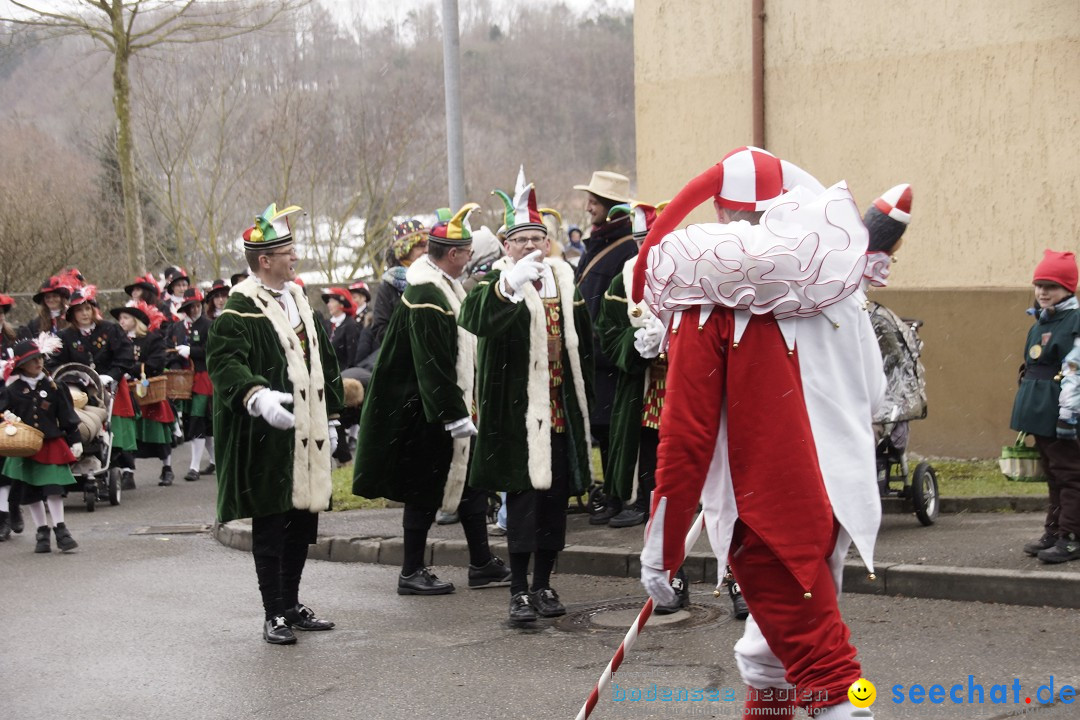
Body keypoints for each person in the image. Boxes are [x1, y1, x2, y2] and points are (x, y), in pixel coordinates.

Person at [633, 147, 884, 720]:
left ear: (721, 215)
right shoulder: (838, 286)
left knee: (830, 677)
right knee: (770, 658)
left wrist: (661, 551)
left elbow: (687, 437)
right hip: (839, 499)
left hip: (766, 516)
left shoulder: (708, 298)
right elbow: (874, 396)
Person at [353, 203, 511, 595]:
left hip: (440, 405)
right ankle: (410, 570)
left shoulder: (442, 286)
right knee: (422, 489)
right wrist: (451, 413)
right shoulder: (426, 293)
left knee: (469, 484)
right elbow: (431, 361)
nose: (470, 259)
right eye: (468, 253)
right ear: (454, 254)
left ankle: (480, 562)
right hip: (420, 410)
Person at [207, 202, 344, 645]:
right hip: (268, 438)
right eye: (288, 251)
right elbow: (225, 363)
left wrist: (335, 416)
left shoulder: (302, 302)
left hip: (308, 437)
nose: (296, 257)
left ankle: (291, 602)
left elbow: (328, 363)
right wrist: (256, 395)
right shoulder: (238, 310)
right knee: (271, 526)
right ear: (264, 260)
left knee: (302, 525)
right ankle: (274, 614)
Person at [459, 178, 594, 623]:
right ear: (506, 245)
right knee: (521, 504)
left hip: (557, 412)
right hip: (515, 415)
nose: (531, 245)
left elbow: (583, 348)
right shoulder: (492, 284)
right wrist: (508, 288)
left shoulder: (565, 283)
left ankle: (544, 584)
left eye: (538, 238)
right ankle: (518, 591)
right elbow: (475, 319)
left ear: (549, 242)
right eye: (521, 240)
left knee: (554, 505)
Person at [572, 170, 638, 523]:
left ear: (610, 209)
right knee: (604, 431)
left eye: (594, 202)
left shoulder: (625, 249)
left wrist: (602, 345)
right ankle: (611, 497)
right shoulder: (598, 244)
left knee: (615, 433)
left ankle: (618, 498)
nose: (587, 208)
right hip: (592, 357)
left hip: (606, 357)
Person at [1011, 250, 1080, 564]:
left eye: (1050, 286)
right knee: (1053, 475)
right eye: (1039, 285)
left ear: (1068, 288)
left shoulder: (1073, 321)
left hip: (1060, 411)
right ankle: (1054, 531)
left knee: (1070, 475)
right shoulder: (1040, 320)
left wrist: (1068, 415)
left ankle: (1071, 537)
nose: (1042, 292)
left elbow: (1075, 371)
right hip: (1040, 410)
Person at [0, 339, 83, 553]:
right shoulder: (12, 390)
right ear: (21, 366)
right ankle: (41, 532)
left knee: (54, 488)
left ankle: (61, 529)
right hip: (24, 447)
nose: (37, 362)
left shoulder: (54, 386)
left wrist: (74, 440)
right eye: (31, 360)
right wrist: (7, 419)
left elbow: (67, 415)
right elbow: (2, 414)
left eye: (39, 358)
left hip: (51, 444)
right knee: (31, 492)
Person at [111, 301, 176, 486]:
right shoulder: (118, 340)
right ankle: (128, 472)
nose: (121, 321)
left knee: (159, 435)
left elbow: (157, 362)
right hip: (127, 392)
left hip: (149, 391)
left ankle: (167, 469)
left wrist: (132, 368)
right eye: (120, 318)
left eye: (125, 318)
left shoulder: (151, 339)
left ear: (136, 320)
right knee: (129, 435)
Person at [167, 288, 215, 481]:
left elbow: (212, 350)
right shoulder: (176, 328)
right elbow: (167, 350)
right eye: (190, 306)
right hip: (183, 379)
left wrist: (191, 351)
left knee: (198, 418)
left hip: (203, 377)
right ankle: (213, 461)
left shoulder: (209, 325)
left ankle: (194, 467)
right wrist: (175, 362)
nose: (194, 309)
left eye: (196, 305)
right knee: (194, 421)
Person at [320, 287, 362, 371]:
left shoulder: (350, 325)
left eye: (332, 301)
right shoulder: (327, 324)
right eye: (328, 302)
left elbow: (352, 356)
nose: (328, 304)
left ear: (341, 304)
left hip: (343, 374)